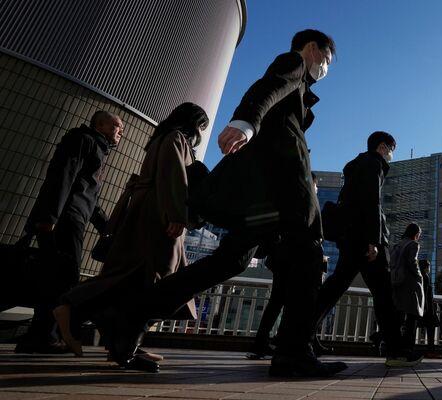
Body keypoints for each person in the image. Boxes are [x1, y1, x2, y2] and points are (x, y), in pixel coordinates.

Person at [103, 30, 344, 377]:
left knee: (229, 262)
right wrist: (245, 123)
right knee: (307, 253)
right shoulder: (293, 63)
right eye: (326, 60)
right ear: (311, 48)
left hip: (261, 198)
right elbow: (268, 87)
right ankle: (293, 353)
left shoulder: (303, 90)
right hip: (282, 190)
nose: (325, 68)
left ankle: (131, 313)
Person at [52, 103, 207, 366]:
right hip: (159, 215)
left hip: (149, 211)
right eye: (201, 126)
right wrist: (177, 214)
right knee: (154, 277)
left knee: (136, 276)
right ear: (194, 124)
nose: (201, 133)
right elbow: (173, 176)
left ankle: (122, 343)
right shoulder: (176, 138)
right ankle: (76, 307)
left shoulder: (161, 138)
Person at [15, 110, 123, 354]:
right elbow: (63, 176)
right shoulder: (83, 140)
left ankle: (39, 336)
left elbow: (89, 196)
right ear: (100, 125)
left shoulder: (97, 148)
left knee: (55, 276)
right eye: (117, 126)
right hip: (64, 218)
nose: (121, 132)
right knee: (64, 277)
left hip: (71, 217)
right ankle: (44, 336)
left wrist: (107, 228)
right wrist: (49, 217)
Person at [313, 132, 418, 367]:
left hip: (351, 237)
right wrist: (373, 240)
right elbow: (372, 202)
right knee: (384, 294)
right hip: (366, 240)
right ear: (382, 147)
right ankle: (396, 351)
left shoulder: (356, 166)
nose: (391, 154)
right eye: (391, 149)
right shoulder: (373, 163)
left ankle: (298, 336)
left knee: (335, 286)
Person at [245, 173, 327, 361]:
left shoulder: (287, 198)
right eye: (316, 186)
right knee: (295, 302)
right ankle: (284, 344)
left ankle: (261, 344)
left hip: (281, 257)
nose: (316, 189)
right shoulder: (305, 201)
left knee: (276, 301)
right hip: (295, 258)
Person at [389, 223, 425, 362]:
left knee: (398, 317)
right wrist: (419, 275)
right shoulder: (413, 244)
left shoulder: (397, 245)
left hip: (397, 283)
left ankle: (396, 348)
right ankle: (408, 350)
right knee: (412, 317)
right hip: (409, 285)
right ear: (416, 234)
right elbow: (412, 262)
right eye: (419, 234)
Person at [418, 260, 441, 358]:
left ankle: (430, 350)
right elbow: (426, 293)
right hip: (428, 309)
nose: (430, 268)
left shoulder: (420, 277)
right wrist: (427, 308)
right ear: (426, 267)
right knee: (431, 331)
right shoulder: (425, 277)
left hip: (423, 308)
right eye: (429, 266)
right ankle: (431, 351)